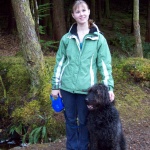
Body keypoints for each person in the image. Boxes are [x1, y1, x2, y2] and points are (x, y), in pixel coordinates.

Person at [51, 0, 115, 150]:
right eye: (78, 11)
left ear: (89, 12)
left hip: (87, 91)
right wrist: (55, 86)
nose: (81, 14)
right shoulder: (66, 39)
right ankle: (72, 147)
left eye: (84, 10)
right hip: (66, 89)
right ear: (73, 15)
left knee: (85, 122)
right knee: (70, 121)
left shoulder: (99, 38)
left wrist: (109, 87)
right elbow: (59, 64)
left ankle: (84, 147)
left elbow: (104, 66)